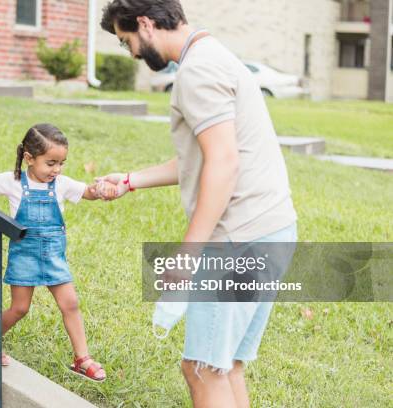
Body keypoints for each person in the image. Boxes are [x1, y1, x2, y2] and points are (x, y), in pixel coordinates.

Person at [99, 0, 298, 406]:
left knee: (202, 369)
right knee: (225, 366)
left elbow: (224, 163)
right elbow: (206, 155)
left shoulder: (196, 73)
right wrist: (131, 181)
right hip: (272, 228)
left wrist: (189, 254)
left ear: (145, 24)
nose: (133, 53)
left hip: (239, 238)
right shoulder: (213, 54)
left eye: (127, 42)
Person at [0, 123, 114, 382]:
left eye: (61, 163)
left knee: (71, 304)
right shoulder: (13, 182)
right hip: (24, 255)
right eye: (51, 163)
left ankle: (82, 359)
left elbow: (86, 192)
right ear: (29, 159)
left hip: (54, 256)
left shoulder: (62, 184)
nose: (56, 170)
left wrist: (100, 190)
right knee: (20, 308)